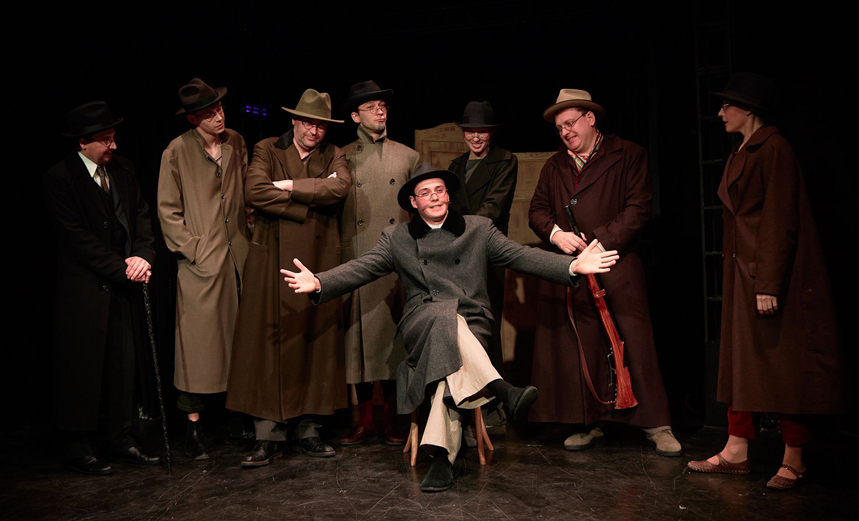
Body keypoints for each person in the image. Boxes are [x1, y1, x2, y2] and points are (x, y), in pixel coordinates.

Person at [281, 163, 619, 492]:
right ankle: (501, 388)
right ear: (413, 202)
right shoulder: (397, 237)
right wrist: (321, 282)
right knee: (444, 317)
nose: (434, 197)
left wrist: (571, 266)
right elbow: (362, 267)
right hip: (422, 322)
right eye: (425, 192)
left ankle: (442, 457)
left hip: (472, 322)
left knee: (450, 361)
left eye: (440, 190)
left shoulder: (478, 229)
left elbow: (520, 256)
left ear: (448, 195)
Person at [687, 72, 846, 489]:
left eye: (727, 105)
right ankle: (736, 448)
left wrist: (768, 284)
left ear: (748, 109)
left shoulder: (774, 148)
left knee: (781, 368)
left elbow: (780, 219)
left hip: (770, 277)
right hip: (743, 273)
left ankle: (795, 457)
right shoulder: (742, 151)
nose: (720, 113)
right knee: (743, 364)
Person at [527, 89, 681, 456]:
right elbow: (537, 211)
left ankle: (656, 424)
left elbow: (638, 207)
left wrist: (601, 240)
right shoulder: (555, 165)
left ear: (590, 119)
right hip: (575, 266)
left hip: (615, 260)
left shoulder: (628, 154)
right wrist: (557, 235)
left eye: (570, 123)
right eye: (559, 128)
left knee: (634, 340)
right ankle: (590, 421)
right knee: (585, 345)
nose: (565, 132)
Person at [226, 89, 351, 466]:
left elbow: (340, 188)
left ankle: (309, 429)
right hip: (271, 256)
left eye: (321, 125)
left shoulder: (334, 153)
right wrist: (311, 198)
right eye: (308, 123)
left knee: (315, 339)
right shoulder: (267, 148)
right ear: (294, 120)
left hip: (319, 254)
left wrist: (289, 186)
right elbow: (255, 191)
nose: (314, 131)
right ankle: (268, 434)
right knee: (268, 340)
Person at [44, 101, 160, 475]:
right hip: (85, 289)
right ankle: (77, 444)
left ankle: (120, 438)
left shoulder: (123, 169)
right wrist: (123, 268)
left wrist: (143, 256)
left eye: (113, 137)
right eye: (105, 140)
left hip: (124, 287)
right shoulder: (61, 178)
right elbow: (76, 239)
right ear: (83, 142)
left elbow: (142, 217)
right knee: (83, 368)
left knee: (122, 366)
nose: (113, 145)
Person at [158, 78, 251, 460]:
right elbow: (168, 211)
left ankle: (236, 419)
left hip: (239, 258)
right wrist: (194, 250)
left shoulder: (236, 142)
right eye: (209, 113)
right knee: (197, 348)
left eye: (220, 109)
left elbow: (247, 192)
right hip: (201, 262)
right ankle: (193, 426)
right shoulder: (177, 151)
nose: (218, 116)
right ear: (193, 118)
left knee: (239, 342)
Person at [338, 80, 419, 446]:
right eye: (371, 107)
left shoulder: (407, 156)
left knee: (391, 342)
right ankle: (364, 419)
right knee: (358, 343)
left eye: (383, 106)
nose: (380, 111)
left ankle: (391, 418)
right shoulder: (342, 156)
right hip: (357, 255)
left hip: (395, 259)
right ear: (356, 116)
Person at [448, 100, 518, 438]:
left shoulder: (505, 160)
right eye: (470, 131)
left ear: (491, 134)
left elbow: (493, 207)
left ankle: (494, 404)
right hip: (457, 255)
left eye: (482, 131)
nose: (475, 137)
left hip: (487, 253)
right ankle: (465, 401)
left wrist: (460, 233)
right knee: (462, 327)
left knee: (486, 325)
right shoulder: (455, 166)